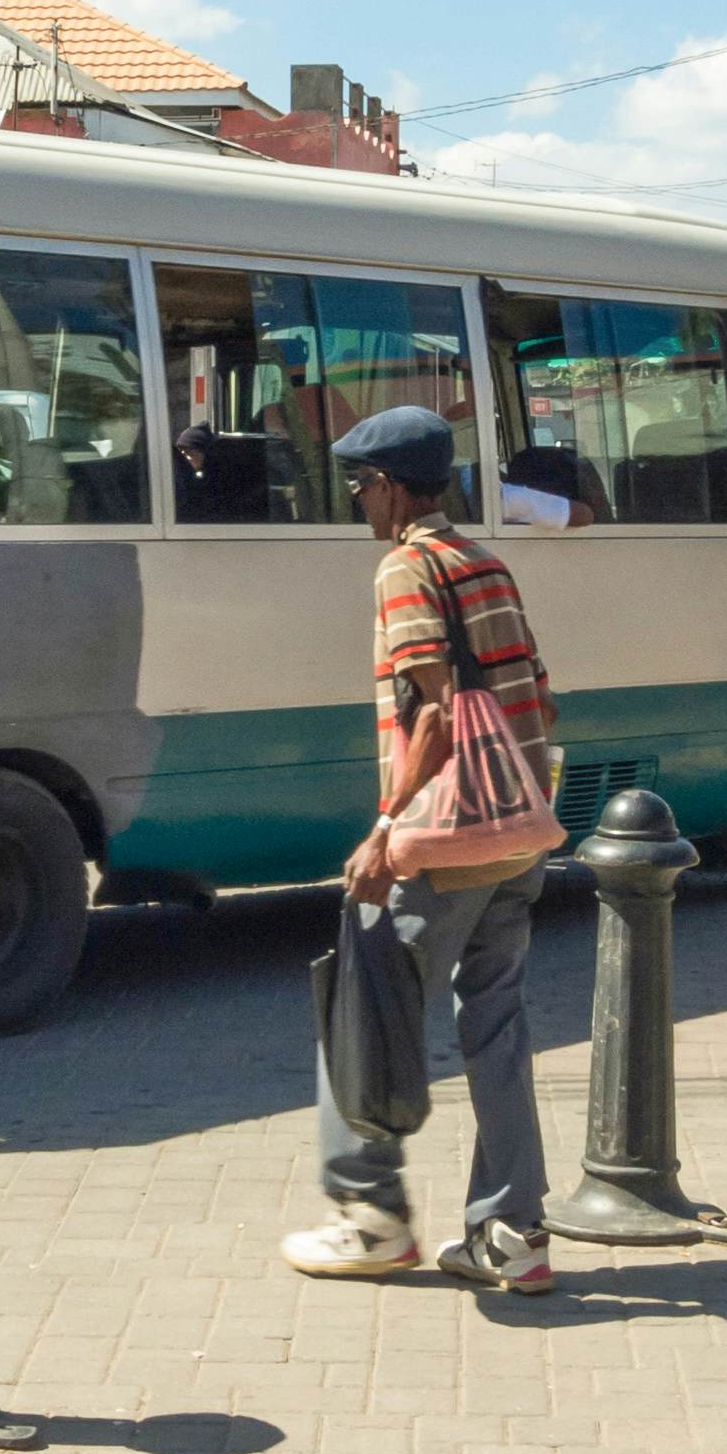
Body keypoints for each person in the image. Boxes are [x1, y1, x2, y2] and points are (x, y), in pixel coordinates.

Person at [282, 404, 567, 1293]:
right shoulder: (488, 561)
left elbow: (438, 712)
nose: (358, 501)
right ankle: (513, 1234)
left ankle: (370, 1215)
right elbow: (539, 699)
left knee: (359, 1009)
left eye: (362, 485)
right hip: (516, 835)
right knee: (498, 1029)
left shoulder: (407, 567)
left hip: (443, 843)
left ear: (396, 489)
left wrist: (384, 831)